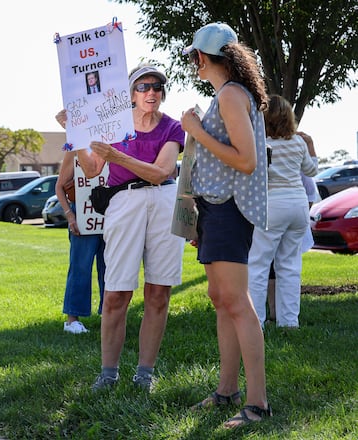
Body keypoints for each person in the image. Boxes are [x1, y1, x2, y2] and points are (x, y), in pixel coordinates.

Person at [180, 22, 272, 427]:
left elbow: (246, 160)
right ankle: (226, 390)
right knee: (222, 300)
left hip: (230, 210)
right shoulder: (229, 94)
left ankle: (258, 403)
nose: (193, 64)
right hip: (217, 209)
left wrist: (196, 131)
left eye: (193, 57)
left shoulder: (232, 95)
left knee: (237, 303)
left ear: (202, 57)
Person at [76, 64, 184, 391]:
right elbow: (94, 167)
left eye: (157, 87)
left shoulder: (173, 128)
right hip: (124, 201)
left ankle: (144, 374)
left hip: (165, 202)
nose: (151, 92)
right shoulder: (112, 127)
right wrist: (78, 135)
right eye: (143, 87)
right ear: (131, 93)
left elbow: (162, 172)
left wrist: (117, 157)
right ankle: (108, 373)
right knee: (116, 292)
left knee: (159, 292)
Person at [248, 95, 318, 329]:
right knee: (289, 265)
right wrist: (311, 146)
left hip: (272, 206)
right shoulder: (298, 143)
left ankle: (257, 321)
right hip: (298, 206)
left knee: (258, 265)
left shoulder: (262, 145)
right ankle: (289, 322)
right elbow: (312, 170)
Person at [54, 111, 106, 334]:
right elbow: (59, 187)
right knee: (80, 265)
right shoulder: (74, 150)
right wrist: (70, 215)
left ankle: (110, 313)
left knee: (110, 267)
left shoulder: (114, 148)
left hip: (111, 215)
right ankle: (72, 319)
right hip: (83, 215)